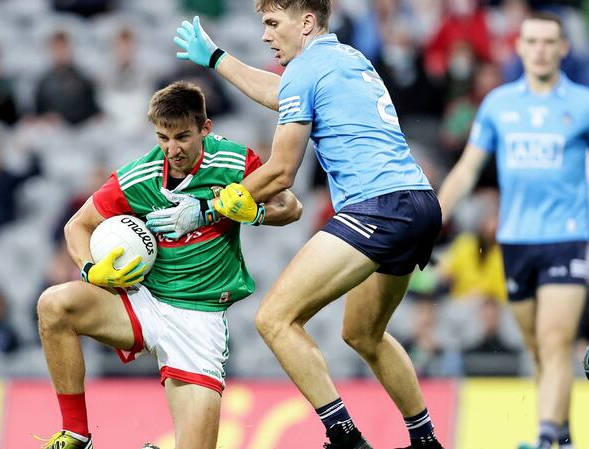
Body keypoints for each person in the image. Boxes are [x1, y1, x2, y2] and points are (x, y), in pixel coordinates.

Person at [154, 2, 444, 448]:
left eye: (273, 23)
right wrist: (216, 58)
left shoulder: (308, 70)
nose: (266, 35)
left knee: (275, 319)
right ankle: (426, 441)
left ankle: (345, 438)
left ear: (306, 22)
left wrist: (209, 208)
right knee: (364, 334)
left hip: (377, 207)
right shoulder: (348, 58)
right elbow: (281, 92)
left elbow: (281, 172)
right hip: (420, 202)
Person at [35, 81, 302, 449]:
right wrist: (89, 269)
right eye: (163, 137)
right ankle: (76, 434)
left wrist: (253, 212)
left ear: (205, 129)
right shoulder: (138, 177)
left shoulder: (234, 162)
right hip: (146, 303)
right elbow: (76, 225)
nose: (171, 149)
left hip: (200, 319)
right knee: (53, 305)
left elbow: (291, 207)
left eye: (182, 137)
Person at [438, 12, 588, 449]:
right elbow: (467, 167)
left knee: (555, 340)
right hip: (516, 241)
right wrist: (436, 217)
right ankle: (563, 435)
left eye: (549, 42)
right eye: (532, 41)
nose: (540, 49)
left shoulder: (581, 104)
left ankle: (543, 439)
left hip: (567, 236)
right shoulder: (499, 105)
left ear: (563, 48)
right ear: (519, 47)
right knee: (540, 350)